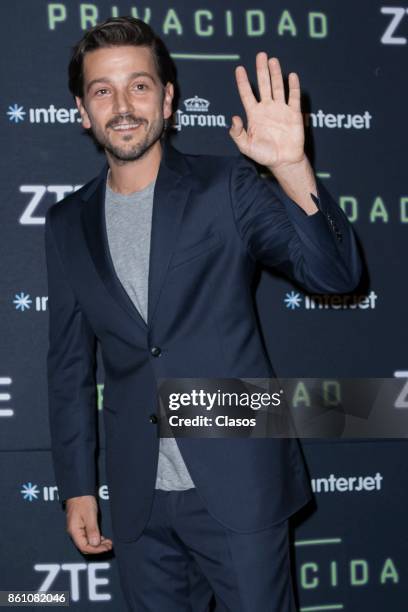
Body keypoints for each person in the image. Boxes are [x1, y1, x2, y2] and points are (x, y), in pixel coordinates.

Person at [44, 16, 361, 612]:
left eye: (139, 85)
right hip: (140, 502)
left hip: (241, 483)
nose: (122, 105)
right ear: (81, 111)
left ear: (167, 99)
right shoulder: (66, 224)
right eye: (102, 90)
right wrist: (78, 489)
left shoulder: (226, 186)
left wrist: (291, 167)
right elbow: (68, 369)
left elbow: (336, 276)